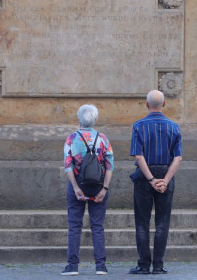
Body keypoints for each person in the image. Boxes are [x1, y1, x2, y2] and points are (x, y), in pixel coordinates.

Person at [128, 90, 183, 275]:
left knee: (142, 223)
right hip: (166, 173)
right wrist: (165, 180)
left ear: (146, 104)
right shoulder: (174, 127)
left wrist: (151, 179)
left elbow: (138, 155)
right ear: (164, 104)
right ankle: (158, 266)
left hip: (145, 176)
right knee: (162, 223)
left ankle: (143, 265)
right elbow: (178, 157)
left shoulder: (139, 126)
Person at [61, 104, 114, 276]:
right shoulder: (103, 139)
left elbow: (67, 166)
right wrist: (104, 188)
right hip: (98, 185)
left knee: (75, 226)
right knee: (97, 226)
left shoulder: (72, 139)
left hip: (78, 184)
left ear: (79, 119)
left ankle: (72, 266)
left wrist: (76, 188)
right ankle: (101, 266)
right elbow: (110, 165)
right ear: (95, 120)